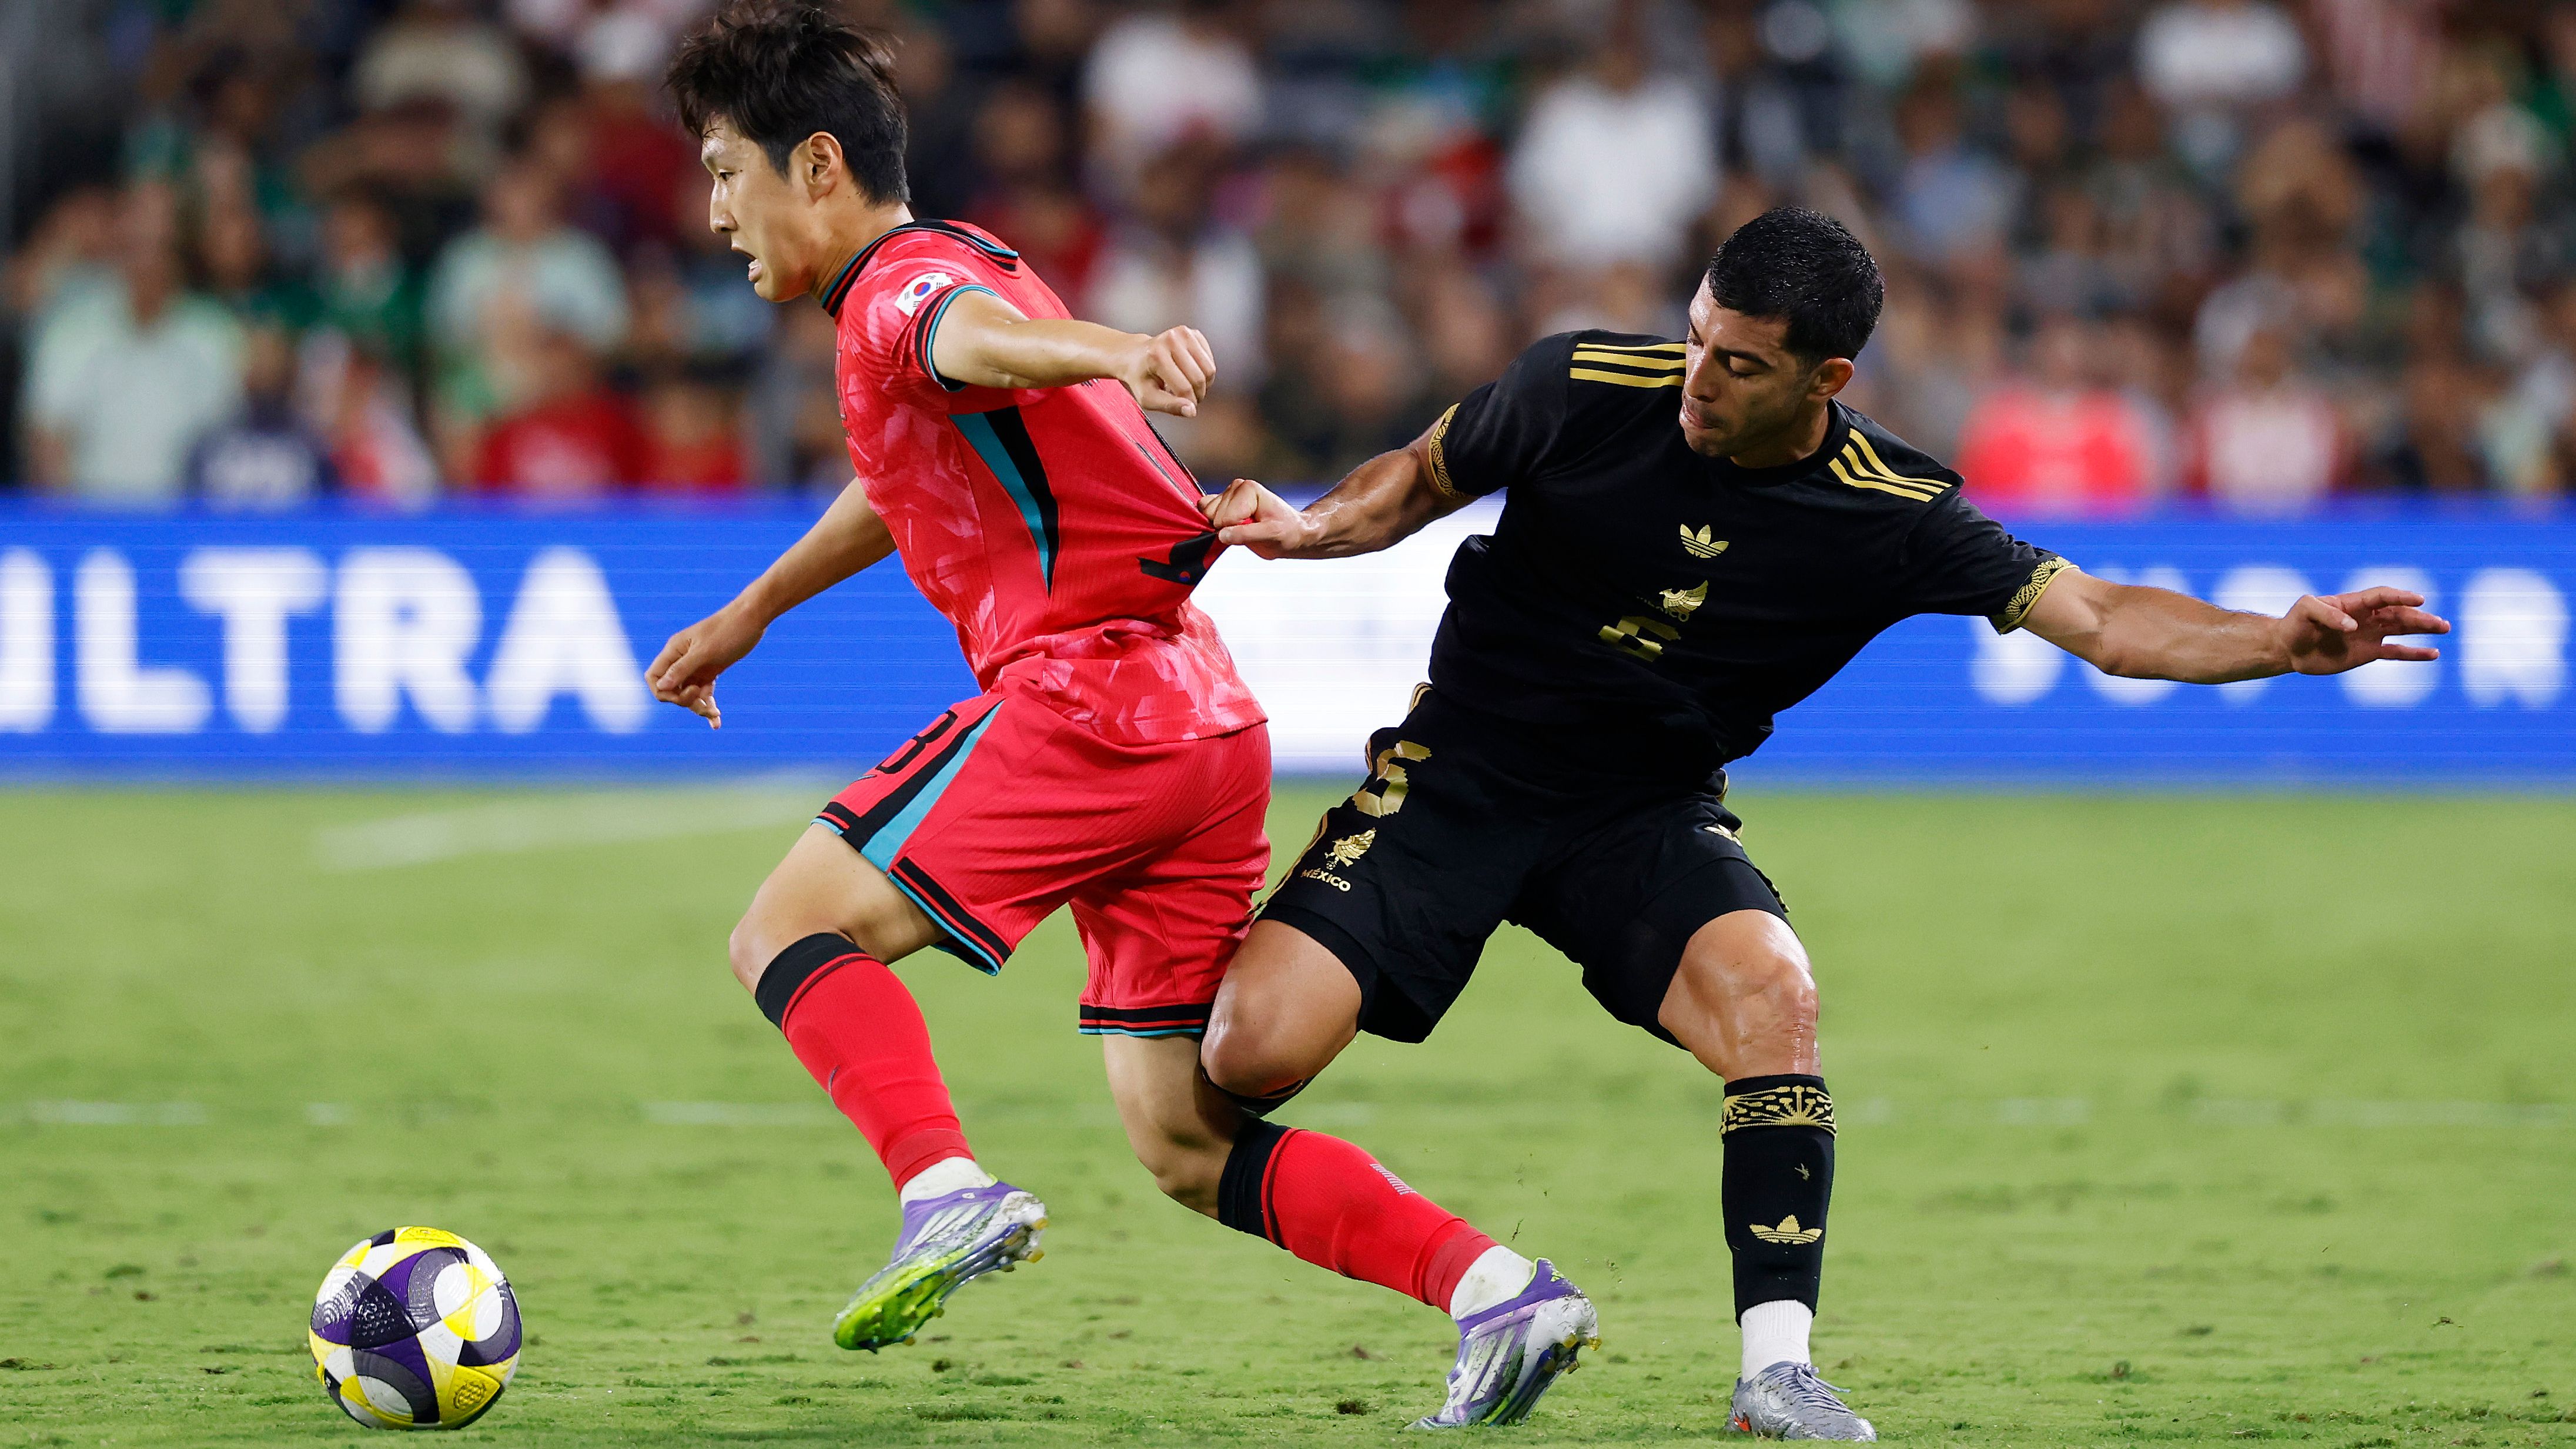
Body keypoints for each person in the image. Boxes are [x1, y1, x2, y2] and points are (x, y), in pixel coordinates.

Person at [1195, 208, 2449, 1442]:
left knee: (1772, 997)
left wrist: (2278, 644)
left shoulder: (1890, 507)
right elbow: (1417, 476)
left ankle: (1775, 1378)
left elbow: (2106, 620)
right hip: (1461, 770)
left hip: (1639, 814)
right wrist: (1309, 529)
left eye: (1739, 365)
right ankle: (1481, 1280)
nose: (1698, 379)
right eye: (1696, 337)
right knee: (1246, 1057)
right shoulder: (1581, 381)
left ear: (1824, 377)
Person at [643, 3, 1597, 1430]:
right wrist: (754, 610)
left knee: (786, 929)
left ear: (818, 163)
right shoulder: (949, 270)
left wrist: (1114, 346)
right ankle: (1497, 1291)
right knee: (1184, 1138)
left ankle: (941, 1189)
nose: (715, 211)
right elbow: (911, 462)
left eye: (727, 170)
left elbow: (977, 348)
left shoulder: (910, 292)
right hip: (1201, 720)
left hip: (1088, 702)